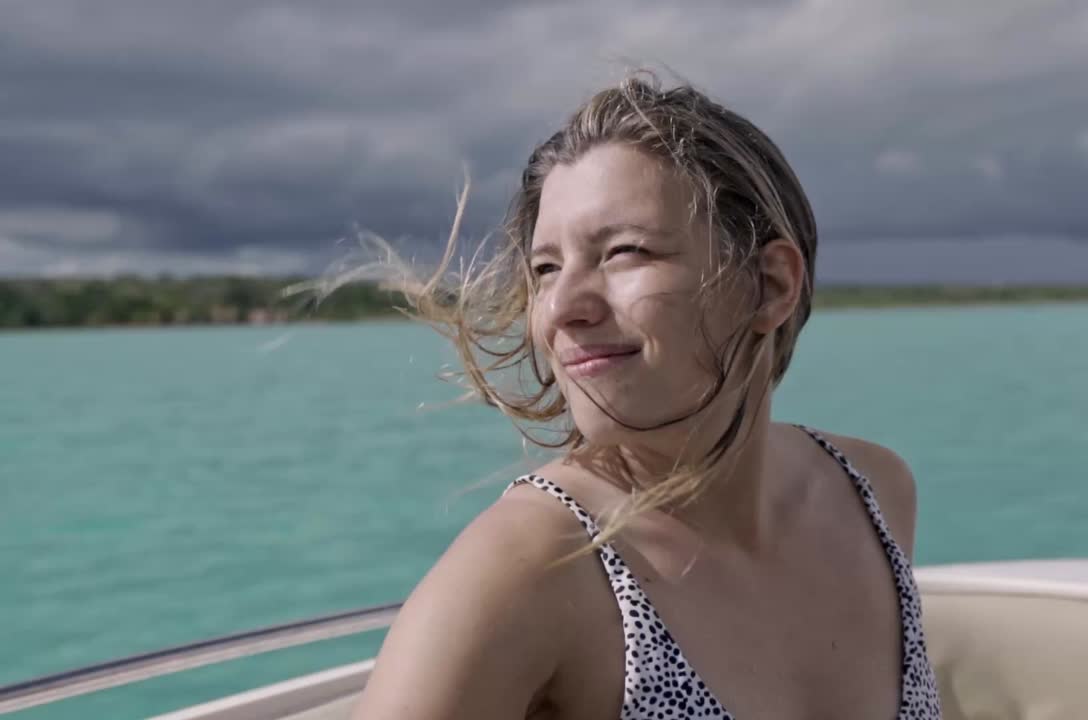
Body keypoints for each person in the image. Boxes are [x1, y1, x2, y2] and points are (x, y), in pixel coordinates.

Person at [349, 73, 941, 719]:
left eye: (626, 252)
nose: (563, 308)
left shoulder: (872, 493)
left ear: (771, 285)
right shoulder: (526, 572)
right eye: (546, 268)